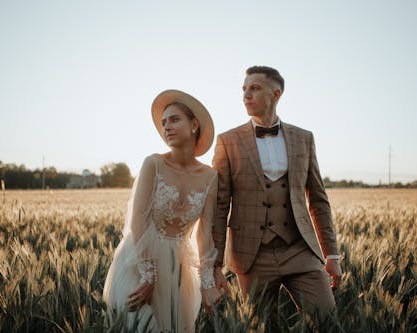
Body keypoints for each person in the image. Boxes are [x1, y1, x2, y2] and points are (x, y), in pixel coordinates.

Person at [212, 66, 342, 327]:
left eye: (255, 88)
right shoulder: (228, 141)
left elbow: (318, 199)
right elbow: (219, 205)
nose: (246, 94)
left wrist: (332, 255)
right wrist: (214, 265)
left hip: (300, 249)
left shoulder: (304, 138)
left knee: (327, 321)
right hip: (252, 255)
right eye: (244, 89)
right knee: (262, 327)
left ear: (276, 93)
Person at [103, 89, 221, 332]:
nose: (167, 126)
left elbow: (205, 232)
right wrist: (148, 273)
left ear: (194, 125)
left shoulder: (210, 176)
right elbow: (138, 219)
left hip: (180, 267)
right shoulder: (153, 163)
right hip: (140, 259)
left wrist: (207, 282)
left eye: (175, 119)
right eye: (164, 122)